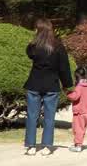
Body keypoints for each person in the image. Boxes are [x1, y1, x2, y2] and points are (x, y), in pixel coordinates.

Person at [23, 18, 72, 156]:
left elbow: (29, 54)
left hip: (34, 83)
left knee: (32, 116)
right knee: (49, 117)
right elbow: (64, 68)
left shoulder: (34, 46)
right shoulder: (58, 46)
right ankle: (46, 146)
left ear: (38, 30)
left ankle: (31, 146)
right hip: (52, 85)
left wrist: (31, 43)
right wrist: (67, 84)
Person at [67, 67, 87, 153]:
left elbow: (75, 97)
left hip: (79, 113)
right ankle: (79, 143)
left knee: (77, 129)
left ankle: (78, 145)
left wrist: (68, 94)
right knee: (82, 129)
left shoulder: (79, 87)